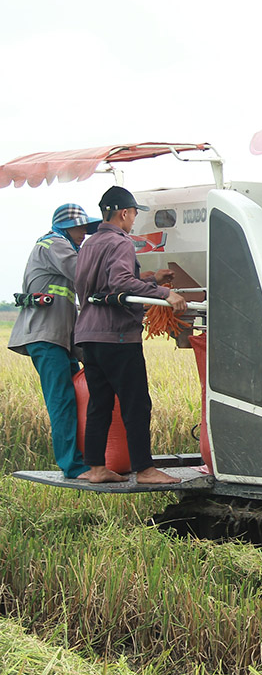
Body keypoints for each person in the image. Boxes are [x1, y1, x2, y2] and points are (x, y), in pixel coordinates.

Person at [73, 186, 187, 485]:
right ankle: (145, 469)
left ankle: (96, 468)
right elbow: (121, 282)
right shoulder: (121, 242)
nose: (134, 220)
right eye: (134, 213)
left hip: (88, 334)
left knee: (101, 404)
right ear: (124, 213)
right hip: (117, 337)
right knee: (137, 403)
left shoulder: (90, 243)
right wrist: (165, 293)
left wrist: (150, 278)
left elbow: (106, 285)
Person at [7, 204, 102, 479]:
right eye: (80, 228)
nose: (84, 234)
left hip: (58, 340)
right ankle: (73, 465)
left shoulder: (62, 247)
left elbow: (72, 304)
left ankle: (84, 459)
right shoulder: (54, 244)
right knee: (61, 400)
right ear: (65, 227)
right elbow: (84, 274)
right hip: (46, 339)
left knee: (72, 398)